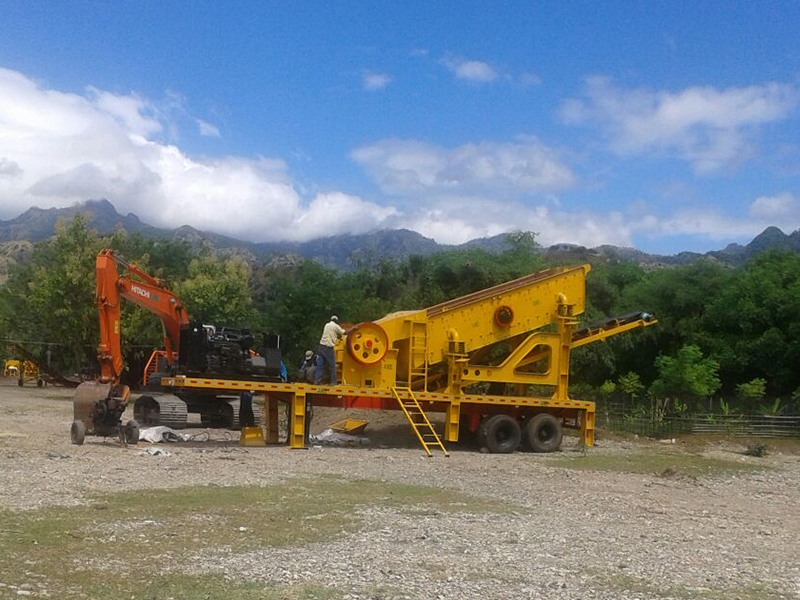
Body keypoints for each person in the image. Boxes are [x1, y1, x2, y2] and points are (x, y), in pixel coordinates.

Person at [315, 315, 345, 384]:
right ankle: (333, 382)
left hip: (321, 346)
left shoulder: (326, 325)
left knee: (320, 365)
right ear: (336, 321)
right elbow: (343, 332)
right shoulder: (335, 326)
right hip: (329, 347)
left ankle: (317, 380)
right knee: (332, 365)